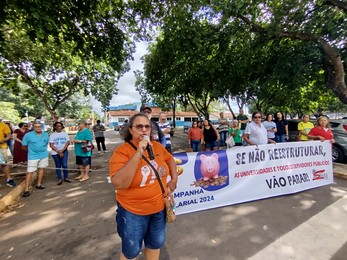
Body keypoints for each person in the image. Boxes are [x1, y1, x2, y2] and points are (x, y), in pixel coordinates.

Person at [109, 113, 178, 260]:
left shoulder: (158, 147)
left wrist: (174, 179)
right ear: (131, 130)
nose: (144, 130)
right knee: (131, 252)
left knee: (154, 245)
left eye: (147, 126)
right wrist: (139, 153)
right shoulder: (122, 152)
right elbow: (119, 183)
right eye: (139, 127)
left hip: (159, 209)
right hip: (132, 212)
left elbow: (170, 159)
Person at [22, 121, 49, 197]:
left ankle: (39, 184)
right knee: (30, 171)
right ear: (33, 127)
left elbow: (46, 143)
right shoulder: (28, 135)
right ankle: (26, 189)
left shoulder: (45, 134)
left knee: (41, 169)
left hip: (44, 155)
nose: (38, 128)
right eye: (36, 127)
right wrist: (32, 150)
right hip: (32, 156)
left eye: (40, 126)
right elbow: (24, 146)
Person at [0, 120, 16, 187]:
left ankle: (9, 179)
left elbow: (9, 136)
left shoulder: (3, 125)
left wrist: (3, 140)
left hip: (2, 147)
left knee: (4, 164)